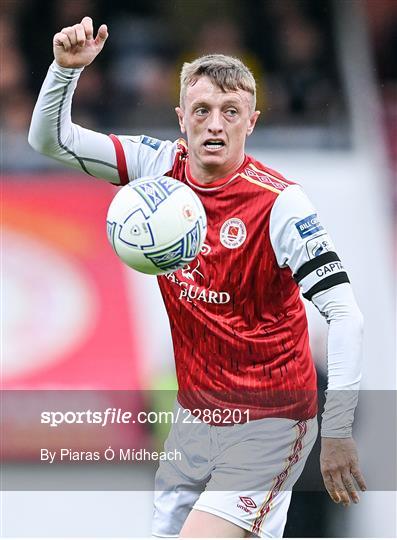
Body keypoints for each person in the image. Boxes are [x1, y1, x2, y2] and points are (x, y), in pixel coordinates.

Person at [29, 17, 367, 538]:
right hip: (196, 419)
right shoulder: (156, 165)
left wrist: (339, 429)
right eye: (203, 110)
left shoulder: (280, 204)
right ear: (180, 116)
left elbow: (346, 314)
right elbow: (51, 141)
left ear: (250, 121)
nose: (215, 124)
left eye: (230, 112)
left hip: (270, 421)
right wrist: (63, 71)